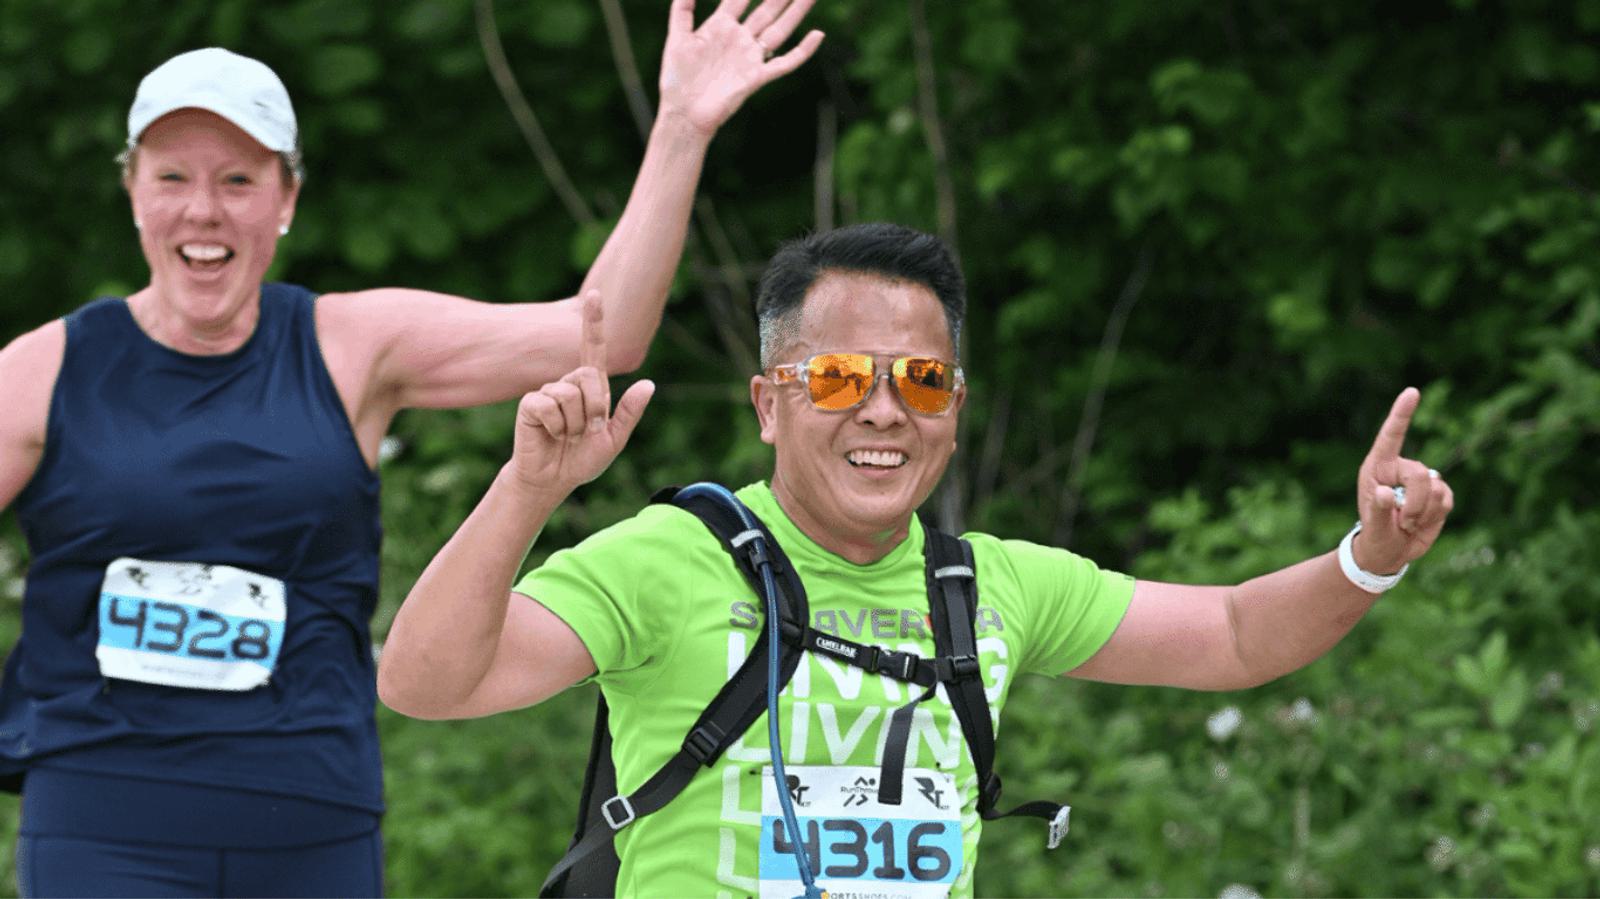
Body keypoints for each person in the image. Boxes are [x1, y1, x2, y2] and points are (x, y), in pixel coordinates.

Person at [0, 1, 823, 895]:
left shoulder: (351, 345)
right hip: (100, 825)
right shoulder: (44, 370)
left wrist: (680, 128)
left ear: (287, 199)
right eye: (172, 177)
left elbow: (604, 332)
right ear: (133, 192)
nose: (205, 209)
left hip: (311, 820)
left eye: (239, 179)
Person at [377, 222, 1455, 898]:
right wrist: (526, 489)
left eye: (924, 381)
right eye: (843, 377)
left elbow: (1229, 635)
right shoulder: (671, 555)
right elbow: (425, 682)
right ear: (769, 401)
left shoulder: (990, 583)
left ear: (956, 408)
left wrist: (1367, 556)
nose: (885, 412)